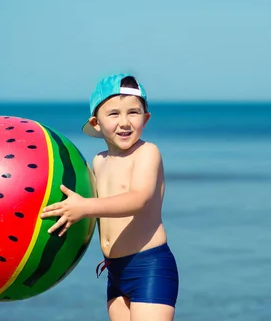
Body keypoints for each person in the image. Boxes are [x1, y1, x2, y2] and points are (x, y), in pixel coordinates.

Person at [40, 73, 179, 321]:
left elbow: (139, 199)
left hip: (149, 267)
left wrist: (84, 207)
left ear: (145, 119)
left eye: (133, 113)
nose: (124, 122)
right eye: (114, 114)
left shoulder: (147, 153)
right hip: (114, 271)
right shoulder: (98, 161)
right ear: (96, 123)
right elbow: (92, 212)